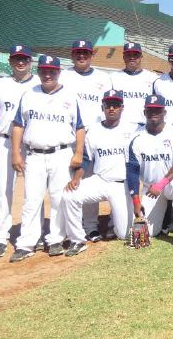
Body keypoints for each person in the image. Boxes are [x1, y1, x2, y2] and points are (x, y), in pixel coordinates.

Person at [9, 55, 85, 262]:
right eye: (44, 70)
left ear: (59, 72)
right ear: (39, 71)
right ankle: (26, 243)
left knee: (59, 198)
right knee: (32, 200)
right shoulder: (29, 94)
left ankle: (55, 239)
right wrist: (16, 152)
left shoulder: (70, 96)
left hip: (61, 154)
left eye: (52, 70)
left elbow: (79, 127)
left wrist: (78, 152)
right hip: (34, 154)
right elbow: (18, 125)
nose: (48, 74)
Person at [62, 90, 140, 256]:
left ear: (122, 107)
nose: (112, 108)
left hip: (121, 184)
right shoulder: (95, 130)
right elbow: (85, 159)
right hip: (100, 180)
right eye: (108, 105)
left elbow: (155, 127)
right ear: (102, 107)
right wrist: (76, 178)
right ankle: (77, 240)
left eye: (116, 105)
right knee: (69, 195)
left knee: (123, 234)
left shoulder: (134, 128)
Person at [0, 45, 40, 258]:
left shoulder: (39, 84)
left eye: (24, 58)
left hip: (32, 144)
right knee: (3, 191)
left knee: (33, 192)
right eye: (16, 58)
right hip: (6, 142)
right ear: (10, 61)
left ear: (30, 61)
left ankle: (33, 235)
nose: (20, 62)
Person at [60, 39, 113, 242]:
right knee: (64, 183)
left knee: (89, 182)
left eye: (86, 53)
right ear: (72, 55)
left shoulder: (103, 78)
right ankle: (66, 228)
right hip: (67, 138)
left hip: (93, 137)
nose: (82, 56)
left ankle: (90, 226)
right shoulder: (64, 76)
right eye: (78, 53)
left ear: (92, 55)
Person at [125, 94, 173, 249]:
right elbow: (132, 172)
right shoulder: (136, 137)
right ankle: (162, 222)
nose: (154, 113)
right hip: (151, 189)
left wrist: (162, 183)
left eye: (158, 109)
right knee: (145, 234)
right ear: (145, 112)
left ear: (165, 112)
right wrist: (136, 202)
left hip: (170, 182)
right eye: (150, 110)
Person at [110, 42, 159, 126]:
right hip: (120, 125)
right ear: (123, 57)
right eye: (128, 54)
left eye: (135, 55)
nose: (132, 57)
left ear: (141, 57)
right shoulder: (113, 77)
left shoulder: (153, 78)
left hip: (143, 126)